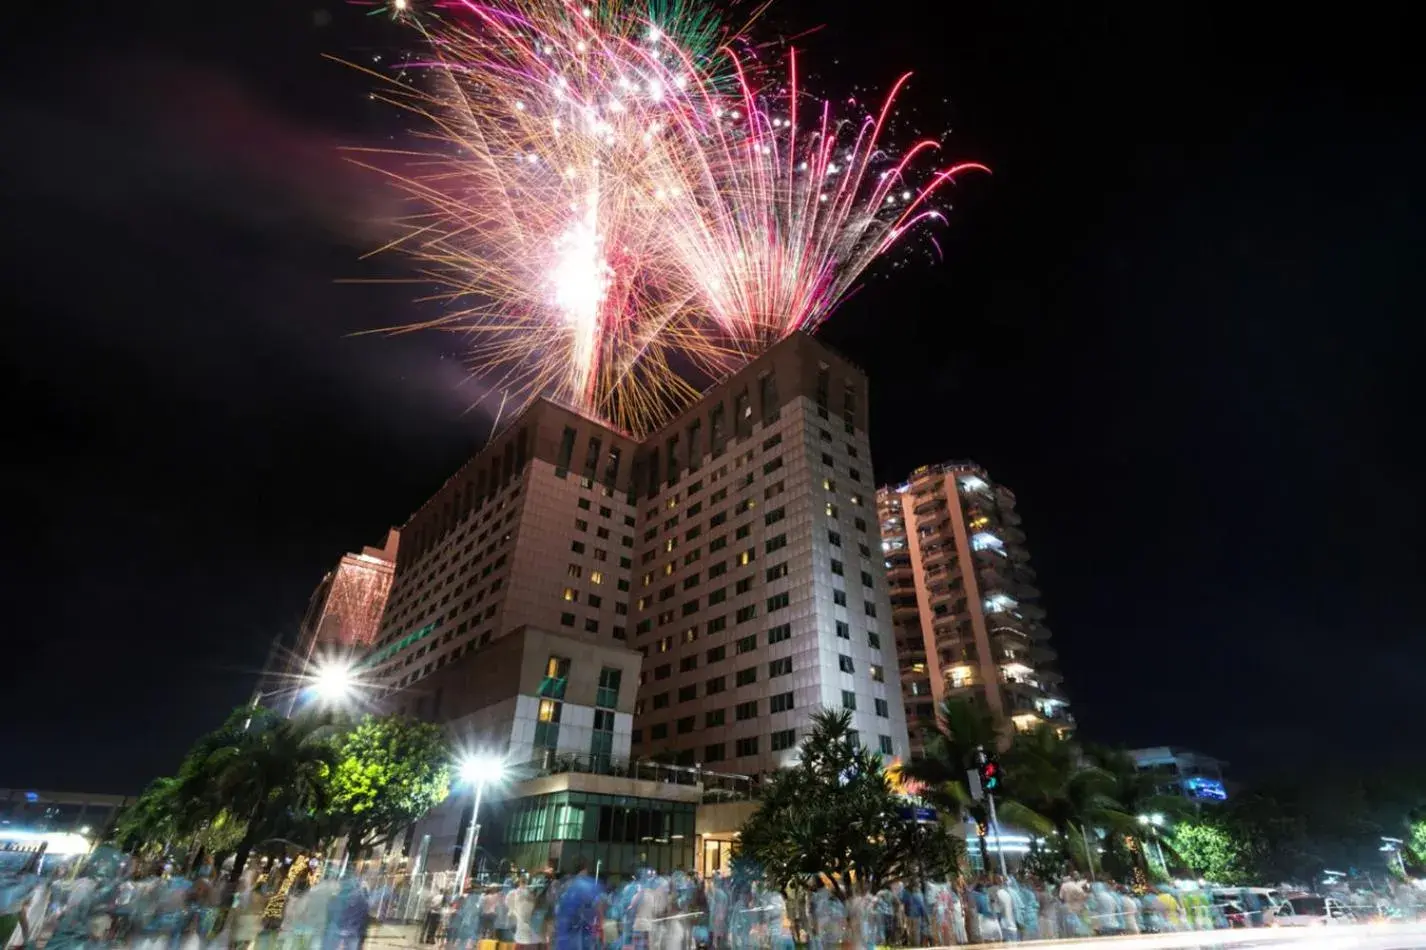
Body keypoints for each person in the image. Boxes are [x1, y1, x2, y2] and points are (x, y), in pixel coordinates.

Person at [553, 859, 601, 950]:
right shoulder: (588, 884)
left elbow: (557, 906)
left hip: (564, 930)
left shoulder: (565, 884)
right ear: (585, 869)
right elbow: (598, 905)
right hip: (582, 930)